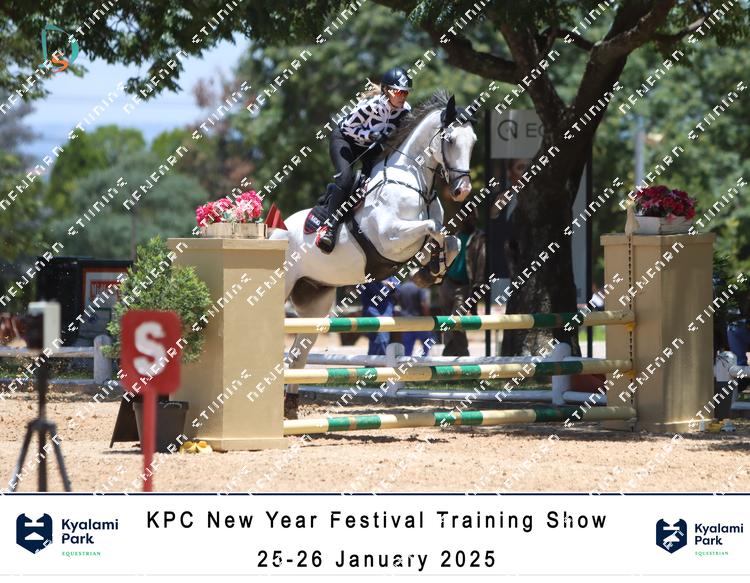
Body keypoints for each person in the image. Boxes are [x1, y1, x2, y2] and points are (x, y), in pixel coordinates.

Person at [316, 67, 413, 254]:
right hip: (344, 140)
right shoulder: (371, 105)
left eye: (406, 93)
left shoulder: (405, 111)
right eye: (399, 92)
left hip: (369, 146)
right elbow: (347, 128)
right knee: (345, 180)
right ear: (387, 91)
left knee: (377, 180)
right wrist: (372, 135)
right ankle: (329, 227)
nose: (403, 97)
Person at [438, 211, 486, 356]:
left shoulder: (479, 238)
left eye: (471, 215)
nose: (468, 219)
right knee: (446, 320)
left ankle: (461, 352)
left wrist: (477, 290)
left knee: (457, 320)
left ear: (475, 218)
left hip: (464, 286)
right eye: (465, 215)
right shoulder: (455, 237)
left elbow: (481, 264)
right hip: (447, 283)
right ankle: (450, 352)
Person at [360, 277, 399, 355]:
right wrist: (386, 285)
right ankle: (379, 360)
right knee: (380, 338)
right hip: (373, 311)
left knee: (382, 339)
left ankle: (374, 360)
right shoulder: (367, 277)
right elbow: (377, 292)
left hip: (386, 311)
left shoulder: (390, 276)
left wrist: (389, 285)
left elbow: (396, 287)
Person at [396, 278, 434, 356]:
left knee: (407, 348)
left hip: (406, 321)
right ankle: (424, 358)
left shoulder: (402, 287)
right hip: (419, 320)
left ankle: (406, 362)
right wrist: (427, 318)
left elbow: (397, 301)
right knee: (428, 341)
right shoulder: (420, 286)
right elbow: (424, 304)